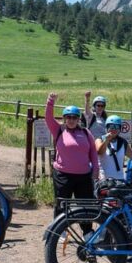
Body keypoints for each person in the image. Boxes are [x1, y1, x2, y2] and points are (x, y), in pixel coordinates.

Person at [46, 93, 99, 226]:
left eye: (74, 117)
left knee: (86, 205)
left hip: (84, 176)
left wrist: (96, 169)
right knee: (62, 203)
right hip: (63, 175)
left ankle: (87, 231)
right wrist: (50, 102)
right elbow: (48, 118)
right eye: (68, 117)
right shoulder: (58, 130)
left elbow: (93, 151)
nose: (71, 120)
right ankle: (60, 229)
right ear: (64, 119)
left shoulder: (86, 132)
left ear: (78, 119)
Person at [95, 115, 132, 180]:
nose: (114, 129)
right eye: (111, 126)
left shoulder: (122, 142)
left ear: (119, 129)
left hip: (119, 180)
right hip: (104, 180)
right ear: (107, 127)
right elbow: (100, 151)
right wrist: (106, 140)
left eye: (117, 127)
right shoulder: (99, 140)